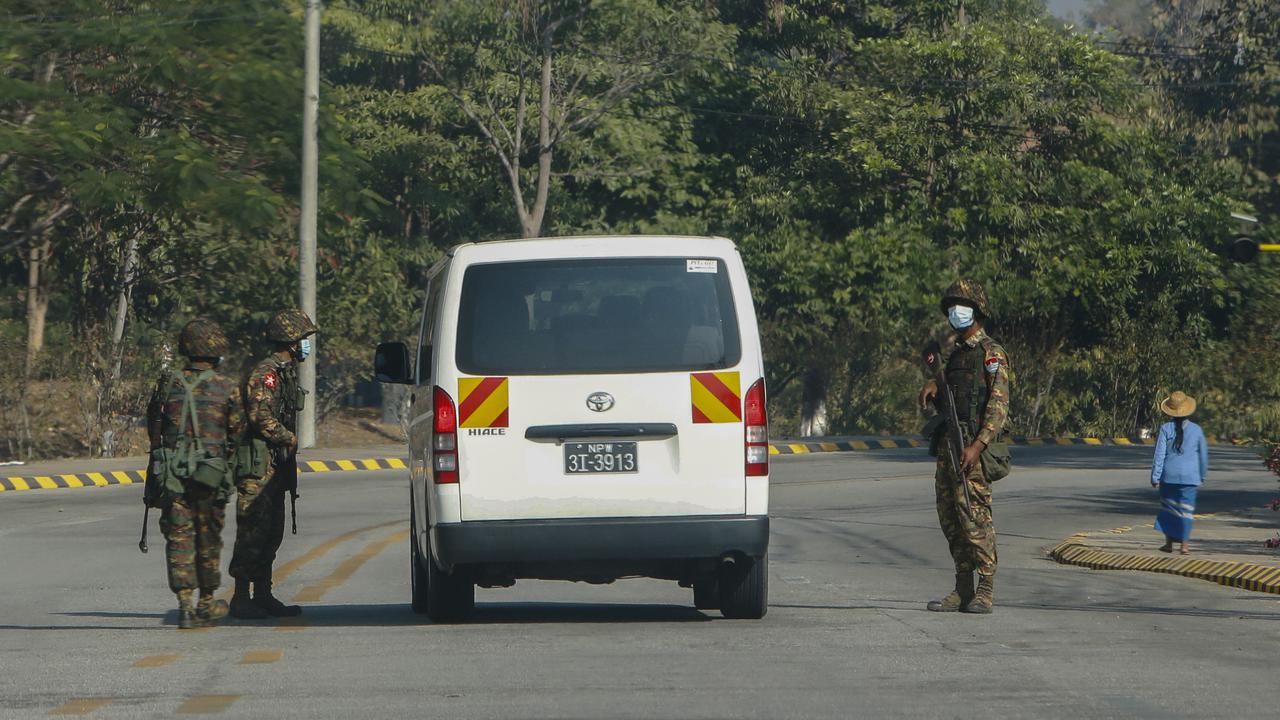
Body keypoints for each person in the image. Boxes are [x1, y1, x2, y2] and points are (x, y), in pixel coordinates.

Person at [918, 279, 1011, 615]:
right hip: (948, 447)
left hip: (972, 450)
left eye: (962, 304)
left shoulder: (991, 354)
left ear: (977, 311)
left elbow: (998, 409)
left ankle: (985, 588)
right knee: (951, 518)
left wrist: (977, 445)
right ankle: (962, 587)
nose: (956, 311)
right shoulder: (956, 355)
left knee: (975, 518)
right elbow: (952, 398)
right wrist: (932, 388)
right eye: (952, 305)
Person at [145, 318, 243, 629]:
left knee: (178, 538)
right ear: (215, 351)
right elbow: (237, 433)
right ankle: (206, 601)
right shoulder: (227, 388)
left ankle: (184, 604)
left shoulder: (168, 383)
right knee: (208, 536)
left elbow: (154, 427)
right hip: (211, 475)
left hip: (173, 474)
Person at [228, 308, 317, 619]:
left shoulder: (284, 372)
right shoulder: (265, 373)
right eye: (304, 339)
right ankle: (240, 596)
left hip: (275, 465)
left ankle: (262, 593)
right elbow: (260, 417)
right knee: (252, 530)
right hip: (258, 464)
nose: (307, 345)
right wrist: (287, 437)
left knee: (272, 531)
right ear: (291, 340)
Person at [1150, 391, 1208, 555]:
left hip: (1169, 476)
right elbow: (1203, 456)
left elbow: (1159, 455)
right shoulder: (1197, 430)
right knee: (1186, 510)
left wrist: (1155, 476)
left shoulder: (1165, 428)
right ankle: (1184, 545)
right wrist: (1202, 475)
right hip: (1190, 477)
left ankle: (1169, 544)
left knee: (1169, 509)